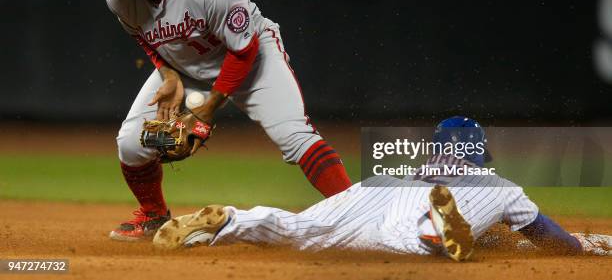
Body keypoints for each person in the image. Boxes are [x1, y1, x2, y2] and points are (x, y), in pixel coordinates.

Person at [96, 0, 352, 242]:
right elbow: (145, 37)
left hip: (253, 55)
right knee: (132, 144)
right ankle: (153, 215)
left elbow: (243, 51)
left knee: (293, 133)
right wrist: (169, 73)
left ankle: (359, 212)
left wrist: (205, 110)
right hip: (186, 65)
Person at [152, 117, 612, 261]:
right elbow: (556, 242)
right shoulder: (498, 185)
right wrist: (585, 248)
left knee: (302, 228)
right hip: (435, 204)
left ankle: (231, 221)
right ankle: (432, 228)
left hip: (381, 189)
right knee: (418, 236)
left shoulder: (406, 166)